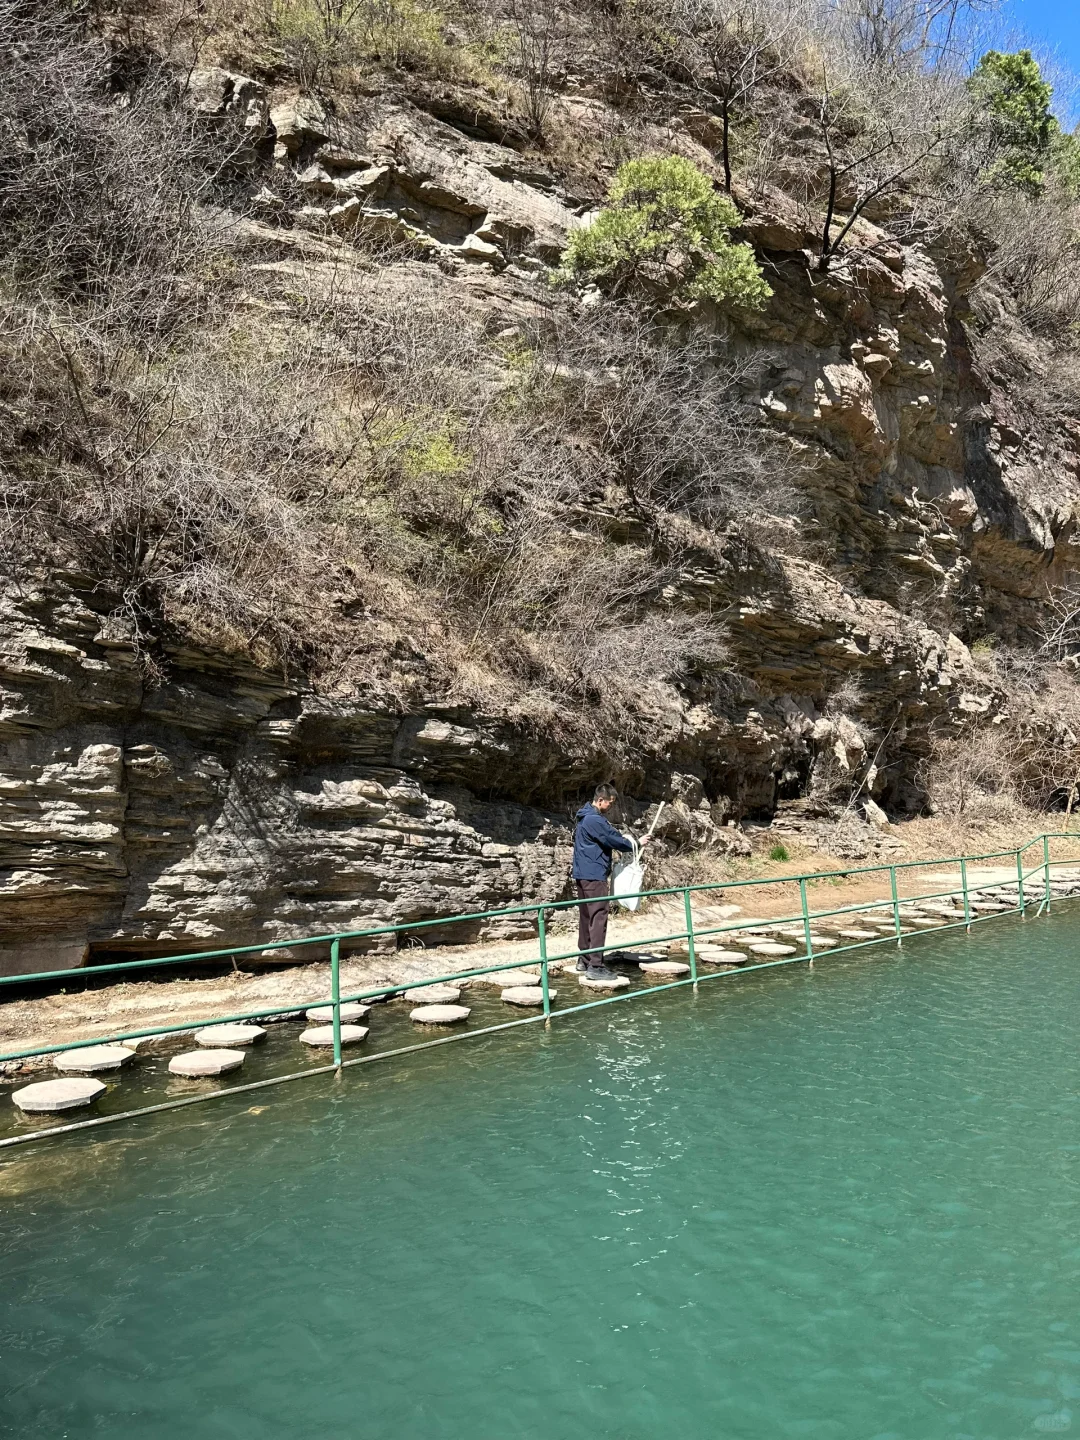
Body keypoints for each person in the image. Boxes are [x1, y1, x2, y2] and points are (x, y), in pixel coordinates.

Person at [572, 783, 652, 981]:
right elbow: (611, 839)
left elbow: (608, 836)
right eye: (610, 802)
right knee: (598, 917)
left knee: (586, 917)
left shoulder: (585, 817)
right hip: (594, 875)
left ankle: (584, 959)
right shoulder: (594, 819)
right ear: (600, 800)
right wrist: (636, 843)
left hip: (582, 874)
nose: (611, 806)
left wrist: (627, 840)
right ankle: (595, 966)